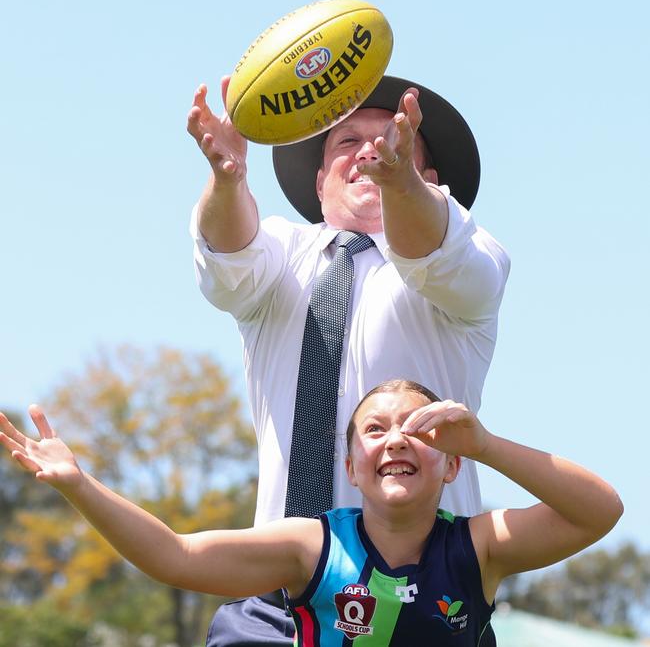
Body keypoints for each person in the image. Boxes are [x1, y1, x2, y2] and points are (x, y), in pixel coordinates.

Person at [186, 74, 510, 643]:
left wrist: (401, 187)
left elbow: (435, 252)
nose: (369, 150)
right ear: (319, 179)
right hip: (280, 596)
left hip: (422, 594)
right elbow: (229, 264)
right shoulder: (284, 250)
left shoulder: (469, 256)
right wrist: (229, 180)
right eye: (346, 142)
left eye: (391, 140)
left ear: (432, 181)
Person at [0, 380, 623, 645]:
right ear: (352, 468)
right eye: (374, 430)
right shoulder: (313, 546)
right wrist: (80, 486)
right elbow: (175, 555)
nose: (396, 440)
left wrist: (486, 443)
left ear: (451, 465)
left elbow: (600, 511)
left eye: (418, 430)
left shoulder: (479, 548)